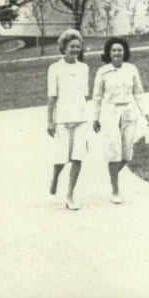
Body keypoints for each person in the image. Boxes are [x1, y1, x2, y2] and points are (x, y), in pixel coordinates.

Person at [92, 37, 149, 204]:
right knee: (114, 151)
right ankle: (115, 189)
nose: (117, 53)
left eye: (119, 50)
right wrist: (95, 118)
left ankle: (111, 177)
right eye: (113, 50)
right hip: (109, 112)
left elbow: (138, 93)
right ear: (108, 53)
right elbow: (96, 97)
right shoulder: (102, 72)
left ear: (124, 52)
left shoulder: (131, 69)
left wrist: (145, 113)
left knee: (126, 153)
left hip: (128, 112)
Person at [47, 29, 90, 210]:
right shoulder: (55, 68)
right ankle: (55, 177)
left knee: (78, 156)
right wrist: (49, 120)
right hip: (62, 118)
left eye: (78, 47)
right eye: (71, 46)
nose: (75, 50)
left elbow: (85, 94)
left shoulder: (84, 68)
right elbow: (52, 96)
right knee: (61, 158)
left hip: (80, 116)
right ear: (63, 47)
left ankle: (70, 195)